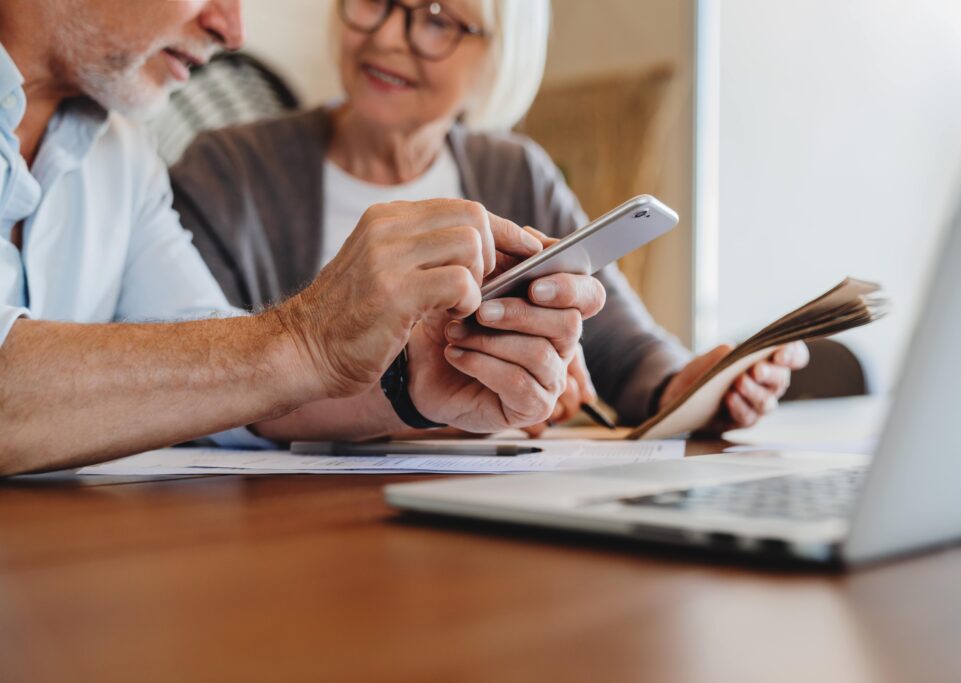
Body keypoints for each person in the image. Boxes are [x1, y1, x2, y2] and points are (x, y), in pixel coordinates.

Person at [0, 0, 606, 476]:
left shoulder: (124, 156)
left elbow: (217, 374)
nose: (232, 29)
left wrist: (409, 383)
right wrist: (306, 337)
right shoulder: (226, 163)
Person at [171, 0, 808, 435]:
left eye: (440, 19)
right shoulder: (230, 171)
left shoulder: (516, 174)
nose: (390, 36)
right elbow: (201, 378)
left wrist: (683, 387)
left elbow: (625, 348)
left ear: (499, 52)